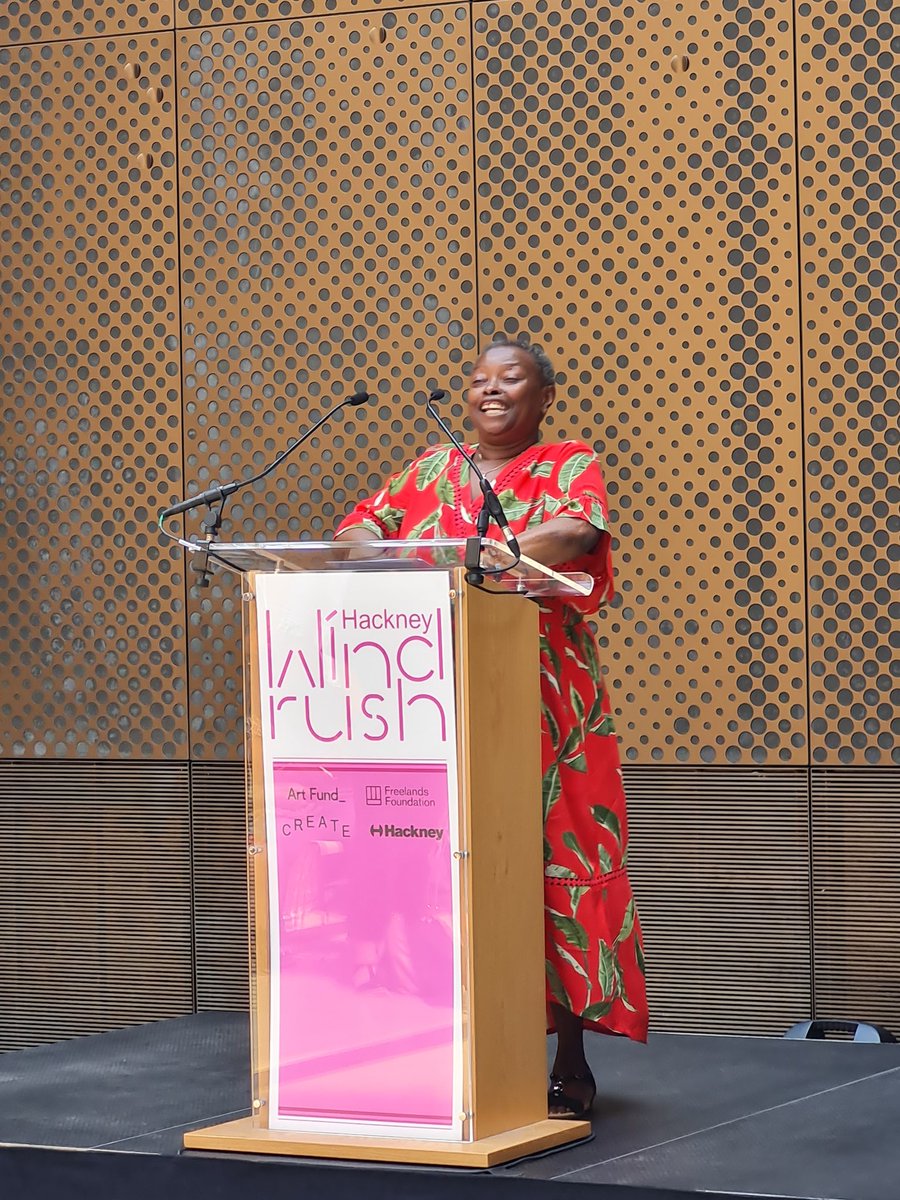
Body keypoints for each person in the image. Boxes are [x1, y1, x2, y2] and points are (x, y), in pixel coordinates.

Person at [334, 339, 648, 1118]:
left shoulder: (566, 462)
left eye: (511, 378)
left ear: (545, 396)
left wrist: (478, 559)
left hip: (549, 709)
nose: (490, 389)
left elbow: (576, 534)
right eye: (478, 379)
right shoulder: (432, 469)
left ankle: (569, 1060)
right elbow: (355, 533)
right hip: (438, 700)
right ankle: (443, 1050)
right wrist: (398, 553)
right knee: (437, 869)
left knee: (557, 859)